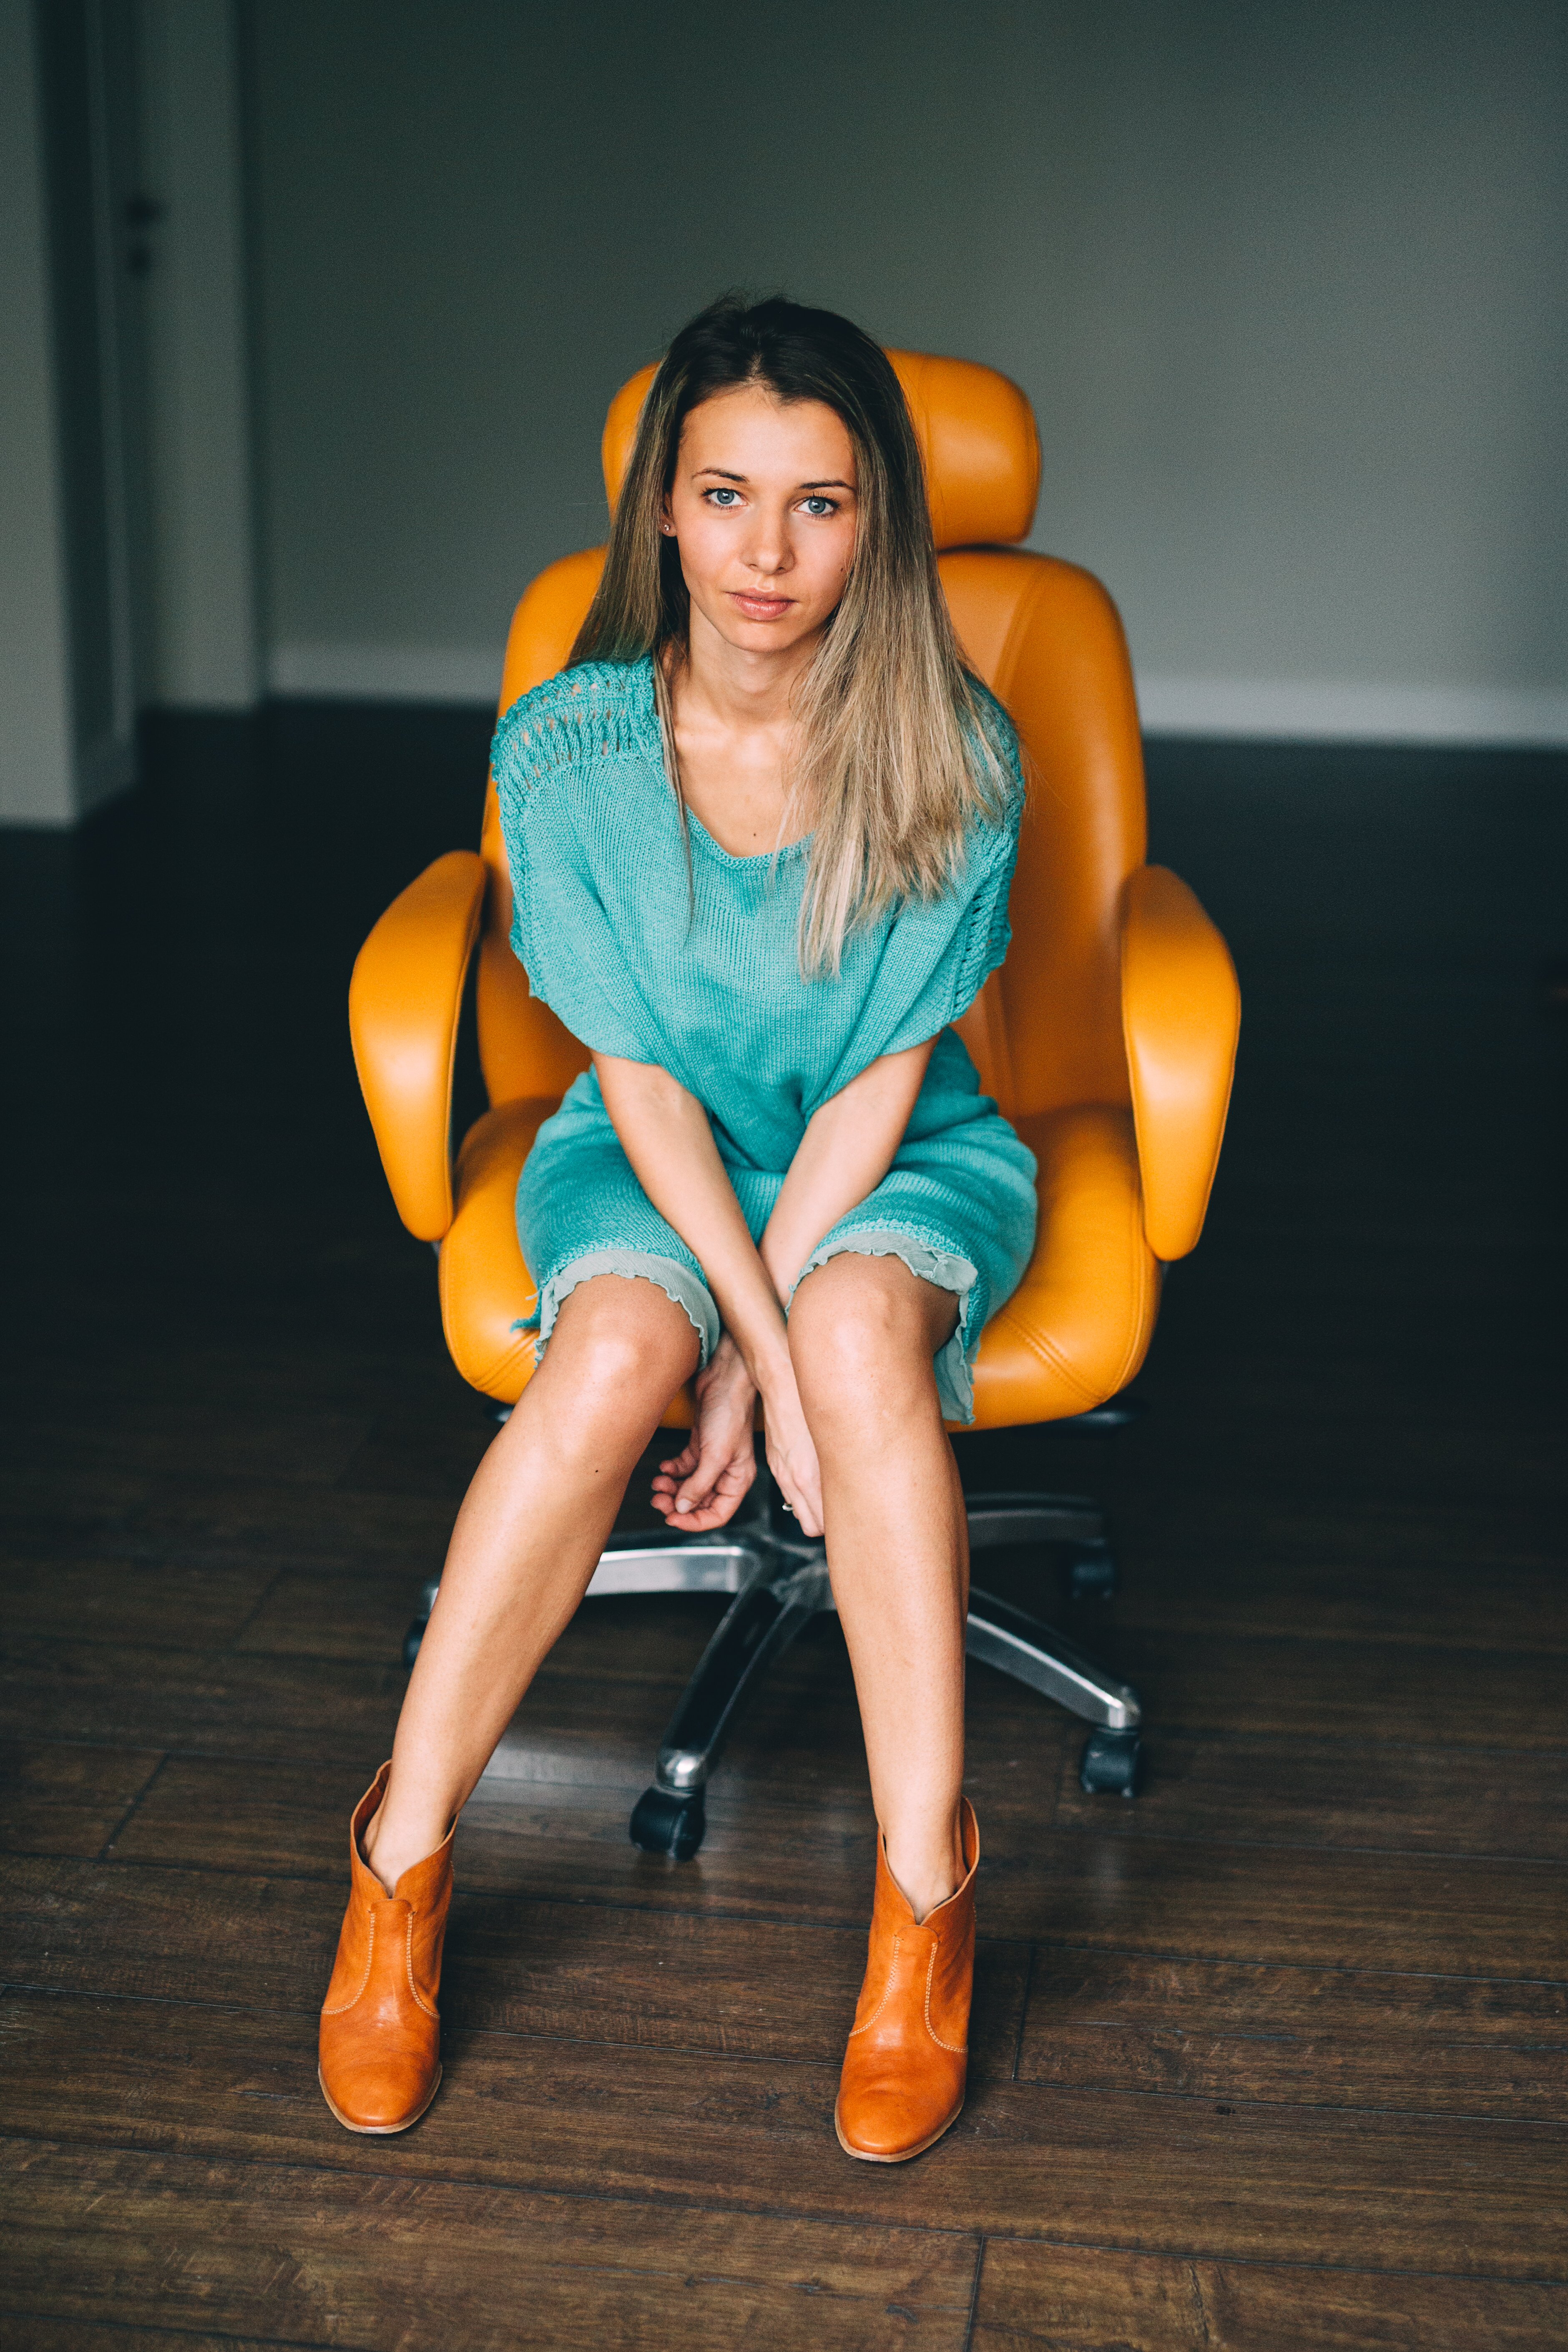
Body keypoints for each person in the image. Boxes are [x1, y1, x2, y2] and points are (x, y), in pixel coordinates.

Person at [317, 294, 1038, 2163]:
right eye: (726, 496)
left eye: (819, 504)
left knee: (859, 1339)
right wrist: (731, 1343)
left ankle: (925, 1900)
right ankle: (398, 1872)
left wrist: (782, 1351)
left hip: (889, 1152)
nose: (766, 555)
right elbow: (636, 1077)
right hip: (656, 1147)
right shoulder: (568, 756)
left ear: (879, 522)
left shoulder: (955, 750)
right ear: (662, 507)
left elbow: (880, 1080)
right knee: (616, 1355)